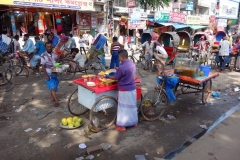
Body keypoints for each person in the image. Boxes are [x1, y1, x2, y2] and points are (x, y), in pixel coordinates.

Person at [108, 49, 138, 132]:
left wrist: (108, 76)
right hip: (132, 88)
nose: (119, 59)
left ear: (122, 57)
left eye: (119, 57)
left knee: (123, 108)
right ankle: (134, 122)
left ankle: (122, 126)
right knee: (132, 106)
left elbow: (116, 77)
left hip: (124, 89)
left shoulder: (122, 67)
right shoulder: (132, 64)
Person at [41, 42, 60, 107]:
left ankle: (52, 98)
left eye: (50, 46)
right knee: (52, 87)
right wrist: (46, 75)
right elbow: (43, 66)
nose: (49, 48)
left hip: (55, 71)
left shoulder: (54, 54)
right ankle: (56, 101)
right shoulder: (43, 55)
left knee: (55, 85)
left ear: (52, 47)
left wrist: (59, 57)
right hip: (48, 73)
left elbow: (57, 62)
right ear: (45, 47)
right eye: (47, 47)